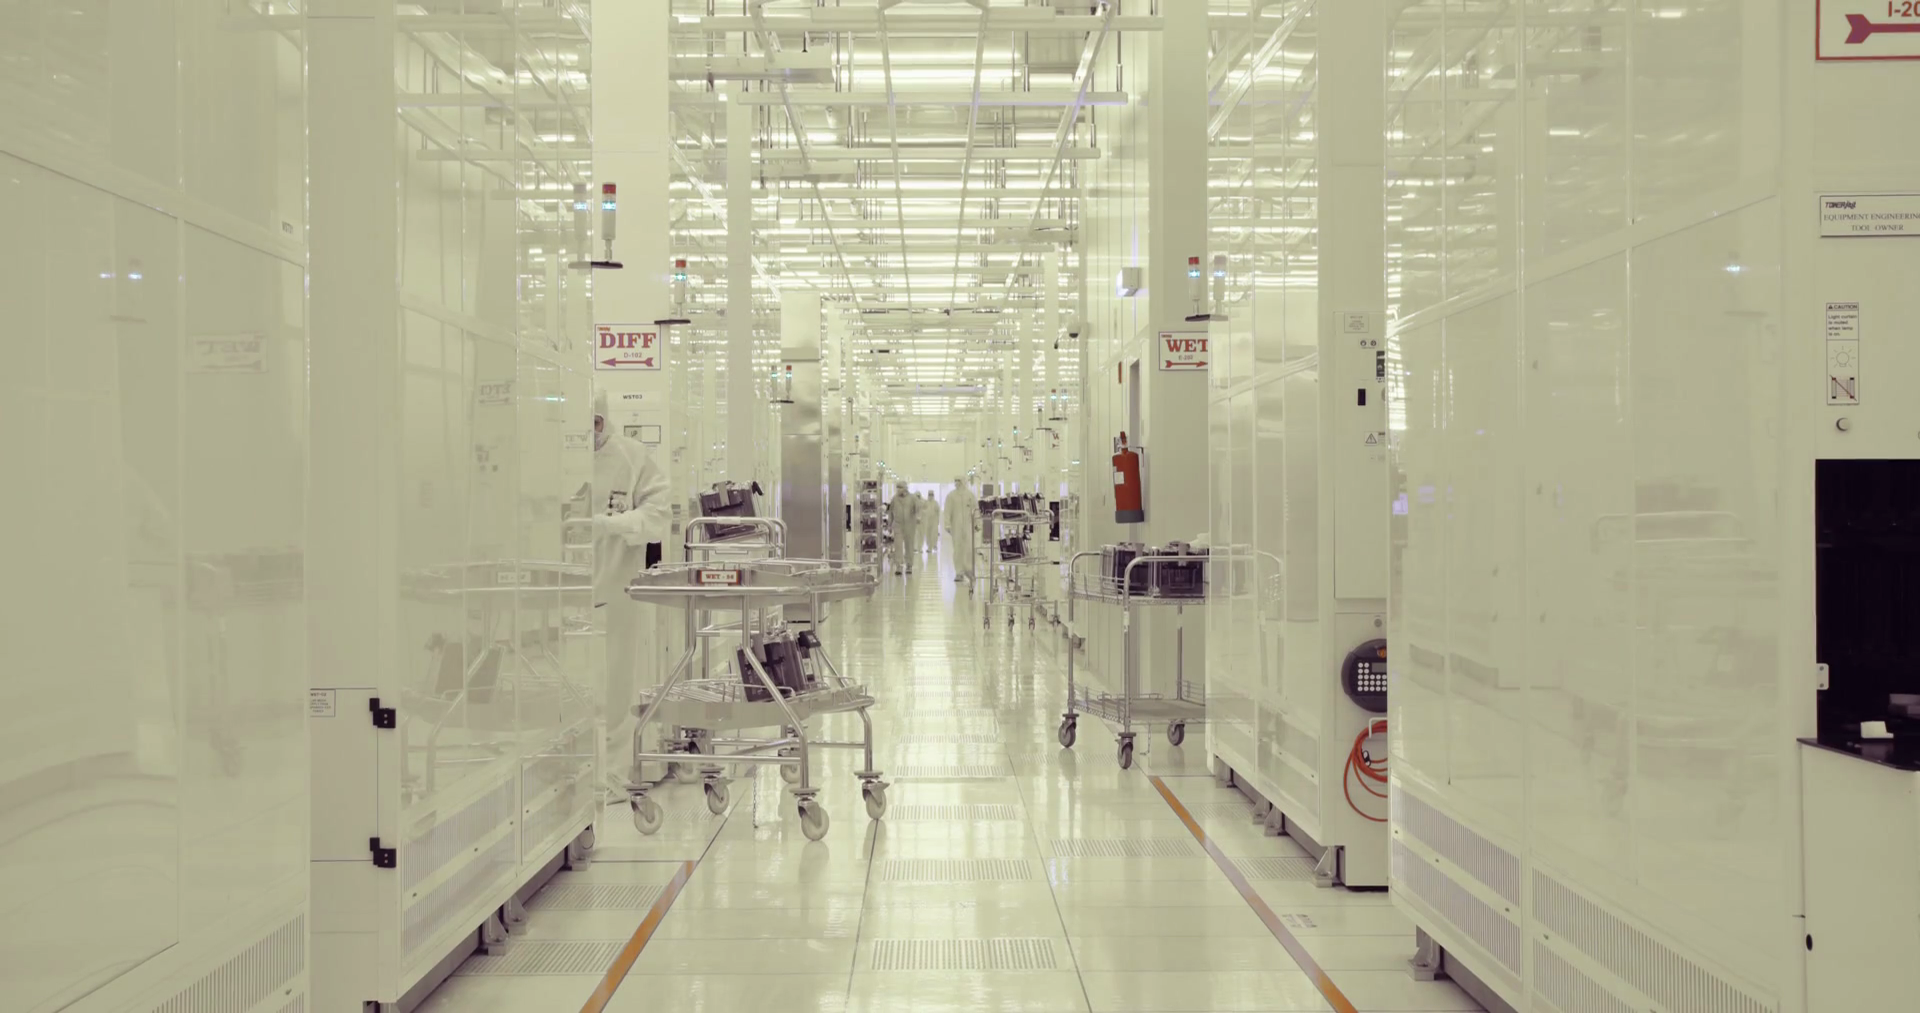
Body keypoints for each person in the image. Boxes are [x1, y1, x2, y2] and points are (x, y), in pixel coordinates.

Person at [586, 388, 670, 770]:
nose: (591, 434)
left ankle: (616, 771)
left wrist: (614, 524)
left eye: (596, 424)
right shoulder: (549, 455)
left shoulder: (632, 457)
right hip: (561, 592)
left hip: (617, 587)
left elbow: (658, 515)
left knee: (616, 679)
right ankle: (578, 768)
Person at [943, 477, 976, 583]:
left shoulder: (970, 495)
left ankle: (969, 570)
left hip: (968, 525)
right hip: (956, 526)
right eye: (955, 481)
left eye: (959, 481)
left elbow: (976, 510)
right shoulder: (951, 496)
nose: (957, 483)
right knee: (958, 549)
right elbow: (947, 511)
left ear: (963, 481)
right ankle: (959, 572)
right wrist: (947, 524)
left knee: (969, 548)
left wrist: (977, 523)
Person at [886, 482, 919, 574]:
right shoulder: (894, 499)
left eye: (900, 488)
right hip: (898, 525)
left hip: (910, 525)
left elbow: (918, 510)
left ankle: (909, 565)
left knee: (909, 546)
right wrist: (889, 525)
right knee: (898, 546)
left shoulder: (912, 498)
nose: (898, 490)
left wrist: (918, 517)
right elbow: (890, 513)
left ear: (905, 488)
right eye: (897, 488)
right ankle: (899, 566)